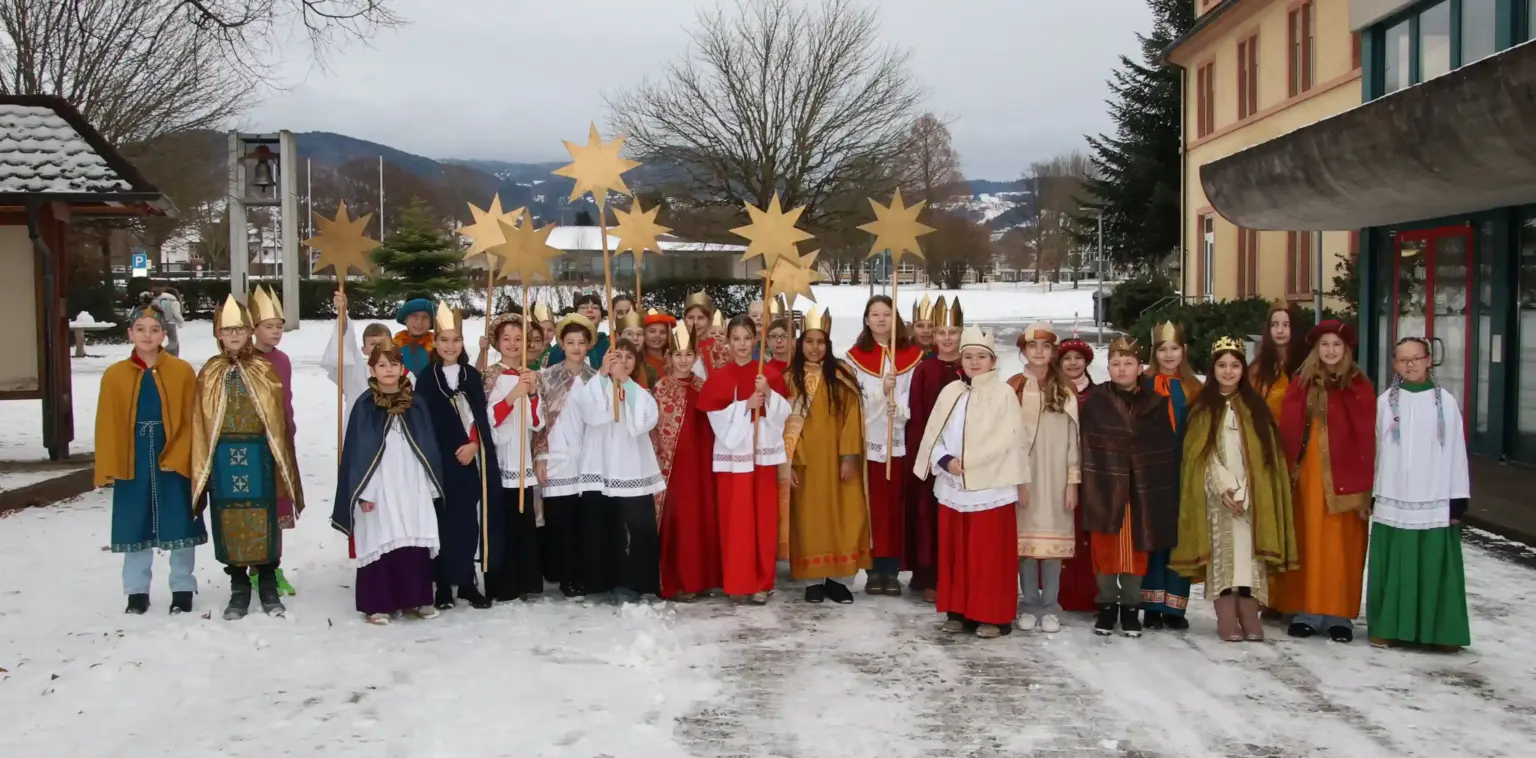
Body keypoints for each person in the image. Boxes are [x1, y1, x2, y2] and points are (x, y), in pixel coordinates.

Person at [1170, 337, 1299, 642]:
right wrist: (1225, 487)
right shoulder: (1202, 408)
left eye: (1235, 365)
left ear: (1243, 369)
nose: (1228, 372)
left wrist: (1247, 490)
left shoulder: (1257, 409)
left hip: (1252, 497)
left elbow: (1267, 458)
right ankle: (1226, 618)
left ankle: (1249, 615)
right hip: (1218, 498)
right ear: (1212, 369)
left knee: (1249, 559)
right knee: (1224, 558)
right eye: (1222, 365)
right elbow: (1200, 454)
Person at [912, 324, 1029, 639]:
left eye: (981, 356)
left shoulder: (1003, 393)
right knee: (956, 552)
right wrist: (944, 461)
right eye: (968, 356)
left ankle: (992, 614)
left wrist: (973, 463)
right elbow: (934, 432)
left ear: (992, 361)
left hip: (991, 487)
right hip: (954, 484)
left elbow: (1008, 438)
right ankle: (959, 611)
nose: (974, 362)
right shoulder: (951, 391)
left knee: (987, 554)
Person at [191, 295, 304, 620]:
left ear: (249, 331)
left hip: (260, 456)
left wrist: (277, 450)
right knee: (230, 519)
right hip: (224, 458)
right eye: (228, 331)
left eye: (240, 329)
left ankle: (268, 582)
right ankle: (239, 586)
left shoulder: (263, 368)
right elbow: (202, 420)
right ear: (218, 334)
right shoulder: (210, 372)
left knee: (265, 517)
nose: (235, 336)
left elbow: (277, 416)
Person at [95, 296, 205, 615]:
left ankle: (183, 586)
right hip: (134, 456)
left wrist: (186, 454)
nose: (147, 335)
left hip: (173, 451)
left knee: (180, 517)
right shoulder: (115, 375)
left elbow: (192, 417)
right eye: (140, 329)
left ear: (164, 335)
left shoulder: (182, 372)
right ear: (129, 333)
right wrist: (109, 462)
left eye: (154, 329)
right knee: (135, 520)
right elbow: (107, 422)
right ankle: (136, 590)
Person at [1272, 320, 1376, 644]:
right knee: (1308, 541)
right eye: (1325, 345)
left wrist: (1366, 482)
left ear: (1346, 350)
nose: (1330, 351)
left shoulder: (1358, 385)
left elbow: (1366, 434)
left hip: (1346, 478)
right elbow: (1287, 429)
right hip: (1307, 477)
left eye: (1337, 345)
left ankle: (1338, 613)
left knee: (1342, 545)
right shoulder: (1301, 383)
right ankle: (1307, 610)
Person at [1366, 337, 1471, 652]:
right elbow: (1374, 450)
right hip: (1392, 495)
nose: (1410, 364)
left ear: (1429, 360)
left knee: (1433, 563)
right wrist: (1370, 492)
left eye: (1417, 358)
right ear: (1395, 364)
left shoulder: (1446, 402)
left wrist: (1458, 498)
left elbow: (1456, 451)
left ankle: (1439, 631)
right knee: (1394, 562)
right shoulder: (1385, 402)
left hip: (1434, 497)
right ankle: (1388, 626)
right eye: (1403, 359)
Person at [332, 344, 444, 625]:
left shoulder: (416, 402)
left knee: (413, 534)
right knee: (382, 537)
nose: (388, 370)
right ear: (372, 369)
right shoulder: (365, 405)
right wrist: (363, 493)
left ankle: (415, 599)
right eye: (382, 365)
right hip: (378, 485)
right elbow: (359, 452)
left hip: (411, 482)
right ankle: (378, 604)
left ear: (402, 367)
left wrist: (429, 483)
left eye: (393, 364)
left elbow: (427, 444)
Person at [1079, 337, 1178, 638]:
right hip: (1105, 486)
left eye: (1128, 364)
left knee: (1136, 551)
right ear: (1107, 367)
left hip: (1141, 491)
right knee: (1105, 549)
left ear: (1140, 368)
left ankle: (1131, 608)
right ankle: (1107, 606)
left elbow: (1162, 449)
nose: (1122, 369)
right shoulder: (1096, 401)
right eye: (1115, 364)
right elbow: (1087, 444)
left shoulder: (1155, 404)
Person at [413, 303, 501, 611]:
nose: (450, 346)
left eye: (456, 340)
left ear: (462, 343)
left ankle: (466, 582)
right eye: (444, 340)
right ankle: (442, 587)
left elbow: (480, 417)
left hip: (468, 460)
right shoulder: (426, 380)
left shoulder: (471, 376)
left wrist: (474, 445)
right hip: (439, 462)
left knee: (466, 522)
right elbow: (423, 422)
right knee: (440, 522)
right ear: (435, 343)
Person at [699, 316, 790, 604]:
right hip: (733, 460)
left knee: (763, 519)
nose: (741, 345)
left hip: (761, 457)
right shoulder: (719, 377)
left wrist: (768, 394)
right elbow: (715, 417)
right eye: (735, 338)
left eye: (746, 338)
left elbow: (783, 415)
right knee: (736, 520)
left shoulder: (768, 375)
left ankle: (762, 582)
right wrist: (744, 406)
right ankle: (738, 581)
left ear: (755, 341)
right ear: (727, 342)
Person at [784, 306, 870, 604]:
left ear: (828, 345)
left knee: (844, 517)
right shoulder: (790, 378)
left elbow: (852, 417)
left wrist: (849, 456)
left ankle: (838, 580)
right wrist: (792, 461)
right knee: (809, 521)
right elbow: (785, 423)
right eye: (809, 341)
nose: (815, 347)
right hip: (806, 463)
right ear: (800, 343)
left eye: (820, 342)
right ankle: (812, 582)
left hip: (838, 460)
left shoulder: (842, 375)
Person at [575, 339, 666, 600]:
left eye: (629, 357)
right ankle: (600, 580)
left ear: (636, 363)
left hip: (631, 466)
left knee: (639, 526)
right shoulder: (594, 385)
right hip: (600, 463)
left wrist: (626, 385)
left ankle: (640, 581)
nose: (623, 361)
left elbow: (646, 420)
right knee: (602, 524)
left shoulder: (640, 392)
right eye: (617, 355)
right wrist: (604, 377)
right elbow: (588, 412)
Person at [1007, 324, 1081, 634]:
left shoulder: (1065, 389)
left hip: (1056, 476)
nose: (1039, 351)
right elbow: (1008, 438)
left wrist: (1072, 482)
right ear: (1022, 351)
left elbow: (1073, 440)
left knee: (1053, 546)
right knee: (1025, 546)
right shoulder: (1013, 387)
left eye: (1045, 346)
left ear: (1053, 352)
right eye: (1032, 346)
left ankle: (1050, 606)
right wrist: (1017, 480)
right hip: (1024, 476)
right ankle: (1029, 604)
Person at [846, 295, 922, 595]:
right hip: (870, 437)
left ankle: (891, 570)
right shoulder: (854, 357)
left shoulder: (911, 356)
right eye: (874, 314)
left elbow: (912, 393)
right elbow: (854, 399)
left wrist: (900, 410)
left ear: (895, 319)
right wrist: (881, 393)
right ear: (866, 320)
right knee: (872, 507)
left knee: (894, 506)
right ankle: (873, 570)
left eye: (886, 314)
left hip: (898, 438)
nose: (880, 319)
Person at [653, 323, 721, 602]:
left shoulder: (702, 386)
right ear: (669, 357)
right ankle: (678, 581)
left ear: (695, 356)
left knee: (701, 517)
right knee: (679, 520)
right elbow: (654, 430)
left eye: (688, 354)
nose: (683, 359)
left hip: (701, 463)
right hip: (673, 465)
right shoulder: (660, 388)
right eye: (677, 354)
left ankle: (701, 579)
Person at [1139, 321, 1199, 630]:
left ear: (1184, 351)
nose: (1169, 354)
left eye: (1174, 348)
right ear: (1155, 352)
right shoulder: (1144, 386)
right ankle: (1151, 604)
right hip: (1152, 473)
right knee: (1153, 536)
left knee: (1180, 537)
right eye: (1163, 349)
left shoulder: (1195, 388)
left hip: (1184, 471)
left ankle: (1175, 606)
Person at [534, 314, 600, 598]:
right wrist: (540, 457)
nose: (576, 347)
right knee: (559, 521)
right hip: (557, 454)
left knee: (584, 520)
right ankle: (563, 575)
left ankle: (584, 573)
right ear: (561, 343)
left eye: (581, 342)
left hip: (588, 456)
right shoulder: (548, 378)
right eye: (570, 342)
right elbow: (539, 422)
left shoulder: (596, 379)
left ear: (588, 346)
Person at [481, 313, 545, 602]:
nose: (512, 343)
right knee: (501, 521)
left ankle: (525, 580)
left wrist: (531, 395)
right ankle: (501, 582)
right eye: (506, 338)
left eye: (518, 339)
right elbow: (486, 418)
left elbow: (537, 421)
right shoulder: (491, 375)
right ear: (496, 342)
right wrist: (512, 396)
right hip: (500, 454)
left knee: (524, 521)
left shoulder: (531, 374)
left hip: (523, 456)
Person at [905, 296, 963, 603]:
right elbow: (917, 415)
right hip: (931, 454)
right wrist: (923, 455)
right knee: (929, 515)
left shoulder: (970, 366)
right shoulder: (924, 370)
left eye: (953, 332)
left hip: (964, 454)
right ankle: (929, 575)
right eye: (941, 332)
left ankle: (959, 574)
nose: (947, 338)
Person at [248, 285, 299, 596]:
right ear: (254, 328)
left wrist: (288, 431)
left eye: (279, 326)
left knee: (277, 504)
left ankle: (274, 565)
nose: (276, 331)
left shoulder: (283, 360)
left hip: (279, 441)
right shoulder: (245, 360)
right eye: (269, 326)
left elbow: (286, 400)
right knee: (254, 505)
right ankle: (254, 567)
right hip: (253, 443)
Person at [1054, 338, 1099, 614]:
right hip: (1058, 469)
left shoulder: (1099, 394)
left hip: (1091, 471)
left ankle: (1089, 592)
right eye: (1067, 358)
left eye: (1078, 358)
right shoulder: (1054, 393)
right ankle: (1062, 592)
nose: (1072, 363)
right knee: (1063, 528)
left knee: (1086, 532)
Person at [323, 289, 394, 430]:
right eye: (373, 344)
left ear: (392, 346)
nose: (378, 348)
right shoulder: (355, 372)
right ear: (364, 350)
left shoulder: (403, 374)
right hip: (360, 434)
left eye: (382, 343)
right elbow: (345, 342)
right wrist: (342, 313)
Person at [1251, 304, 1303, 420]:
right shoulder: (1257, 368)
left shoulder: (1304, 366)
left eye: (1286, 325)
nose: (1280, 330)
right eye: (1274, 325)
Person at [393, 297, 436, 374]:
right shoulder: (396, 344)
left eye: (425, 317)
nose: (419, 322)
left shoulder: (437, 345)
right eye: (414, 316)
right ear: (405, 319)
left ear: (431, 322)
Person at [616, 311, 657, 388]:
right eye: (629, 334)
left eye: (639, 334)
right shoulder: (609, 365)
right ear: (618, 336)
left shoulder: (650, 372)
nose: (635, 338)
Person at [151, 287, 185, 357]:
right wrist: (181, 322)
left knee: (160, 340)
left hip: (159, 322)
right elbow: (176, 314)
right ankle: (165, 354)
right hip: (170, 323)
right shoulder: (173, 300)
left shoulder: (157, 300)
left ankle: (172, 356)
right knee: (173, 341)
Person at [642, 309, 675, 380]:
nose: (657, 335)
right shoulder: (638, 364)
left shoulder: (677, 361)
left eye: (663, 332)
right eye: (652, 331)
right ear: (643, 334)